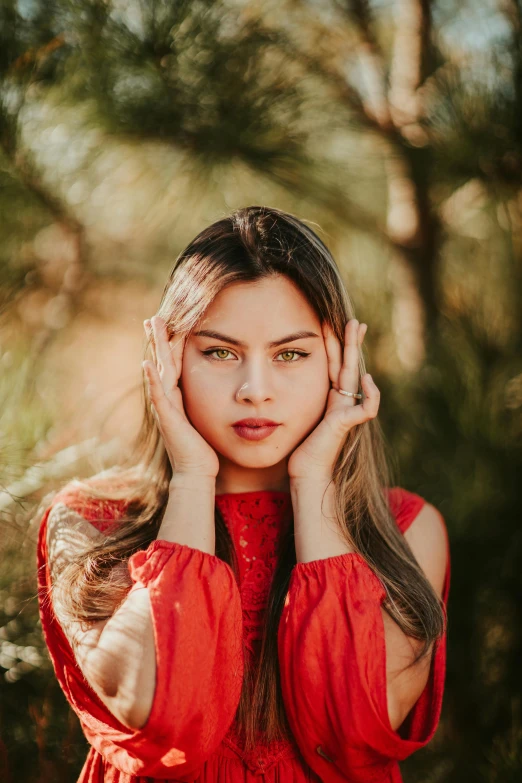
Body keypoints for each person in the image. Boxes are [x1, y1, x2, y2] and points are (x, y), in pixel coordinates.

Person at [36, 205, 450, 783]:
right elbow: (166, 726)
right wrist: (191, 479)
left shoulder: (406, 529)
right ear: (170, 357)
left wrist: (314, 486)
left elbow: (353, 736)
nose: (256, 391)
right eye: (220, 353)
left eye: (291, 354)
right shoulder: (86, 523)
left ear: (340, 362)